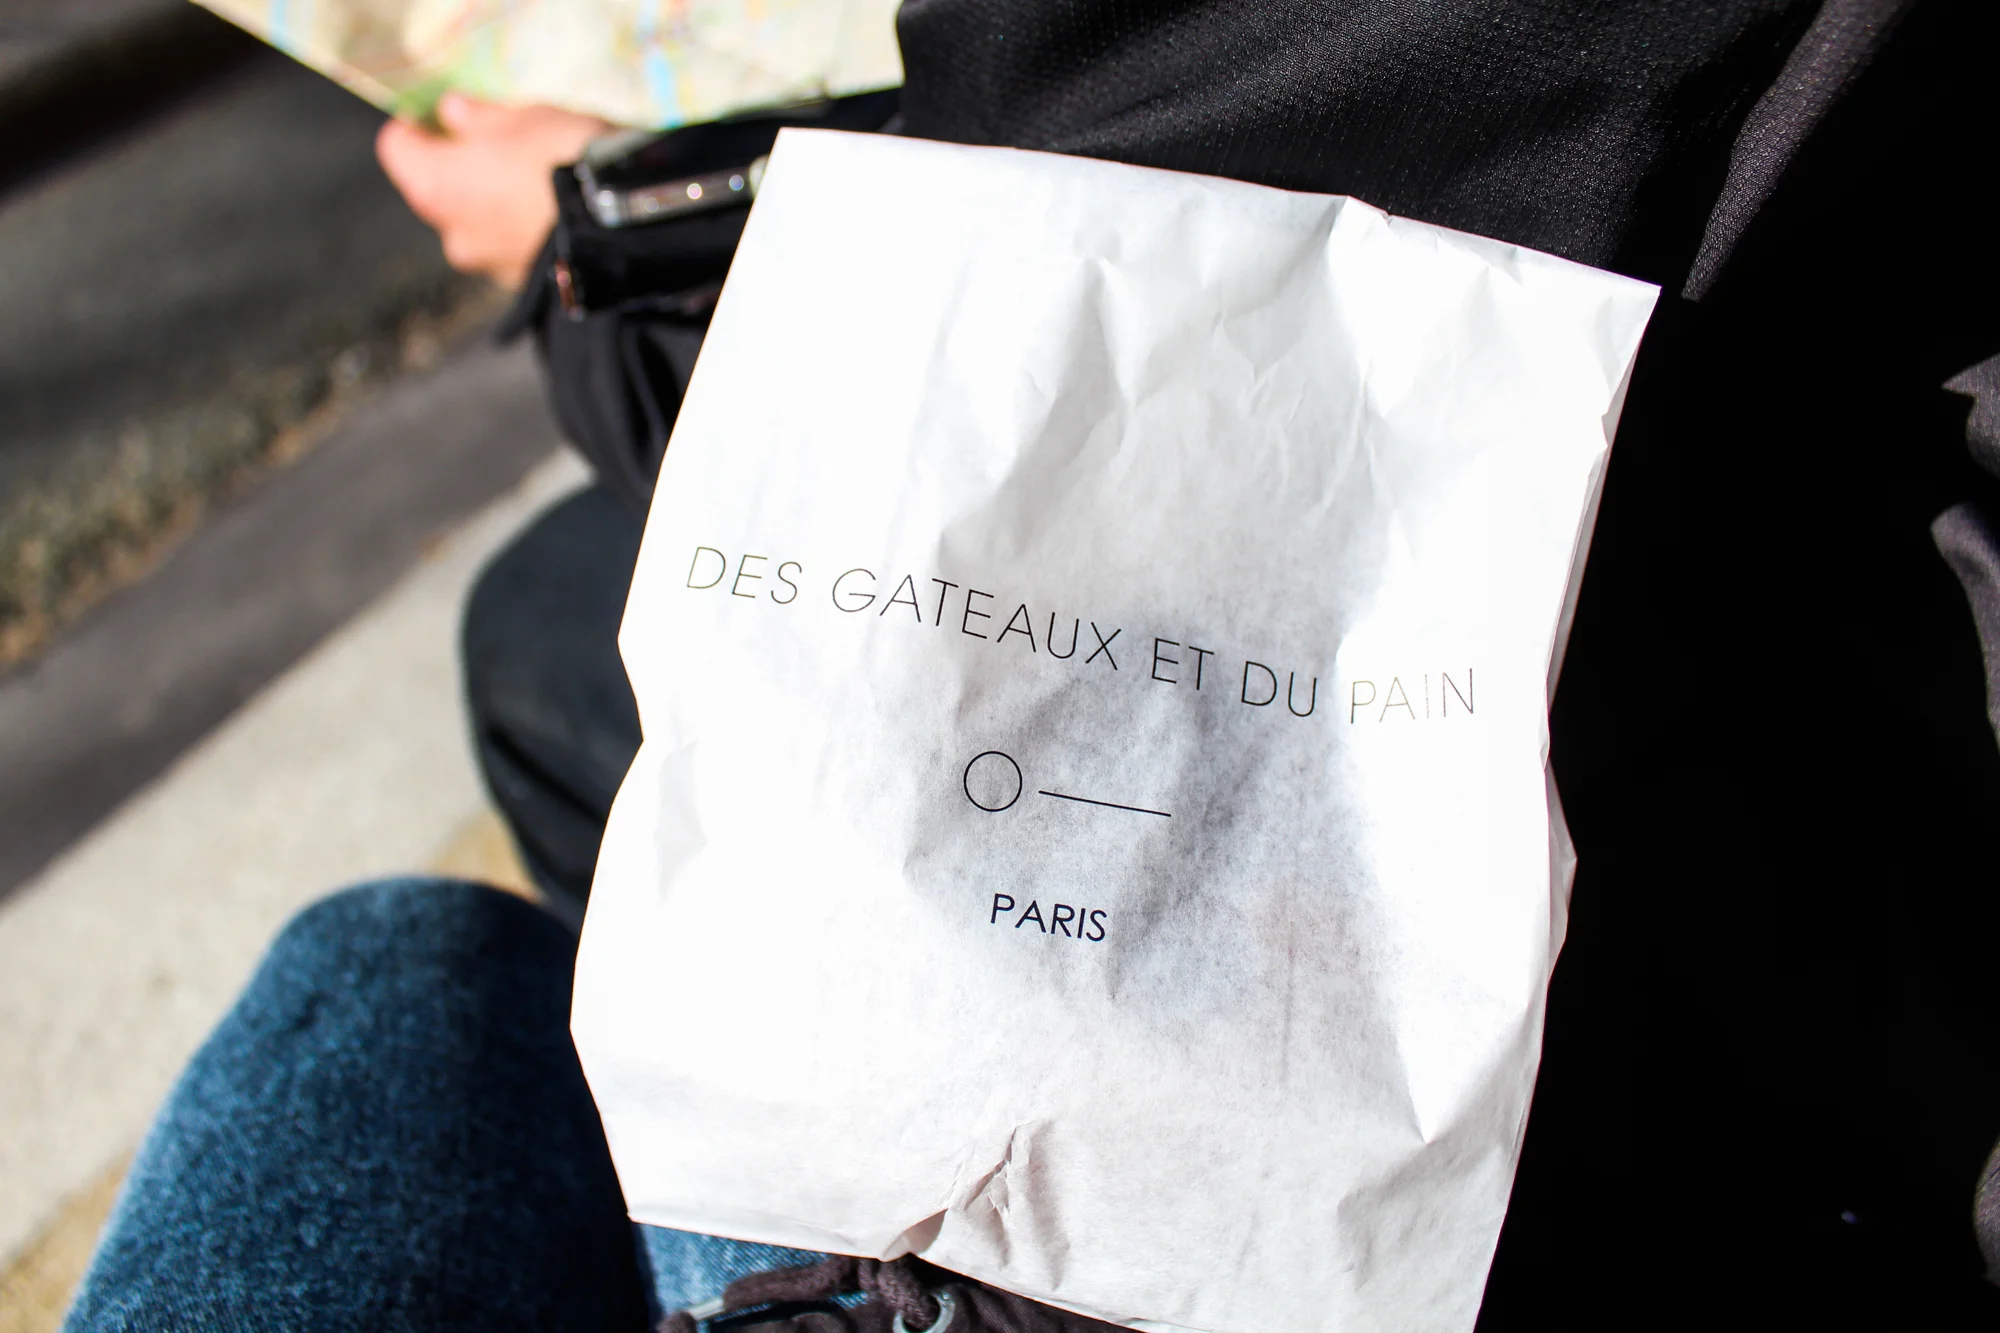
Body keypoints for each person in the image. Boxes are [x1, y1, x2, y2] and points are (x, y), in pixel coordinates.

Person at [82, 1, 1992, 1327]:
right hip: (1820, 735)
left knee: (407, 952)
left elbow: (1137, 342)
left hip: (1702, 1035)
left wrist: (593, 248)